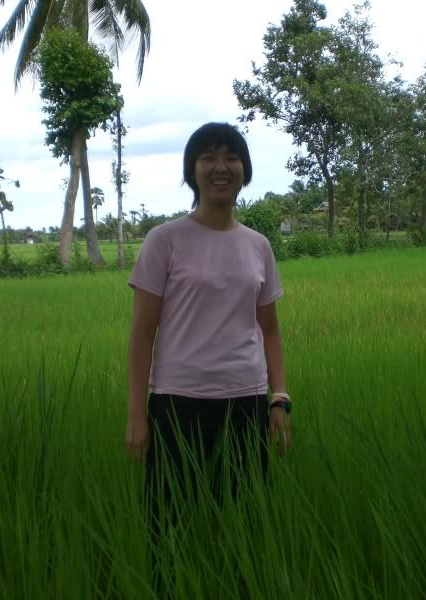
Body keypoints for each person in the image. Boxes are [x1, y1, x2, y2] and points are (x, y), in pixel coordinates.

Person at [124, 122, 291, 550]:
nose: (221, 167)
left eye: (231, 157)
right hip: (178, 403)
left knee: (245, 524)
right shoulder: (164, 240)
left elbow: (270, 329)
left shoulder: (258, 245)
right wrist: (137, 415)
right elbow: (142, 335)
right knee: (167, 529)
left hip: (246, 401)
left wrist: (279, 397)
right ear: (192, 171)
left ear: (244, 169)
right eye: (208, 158)